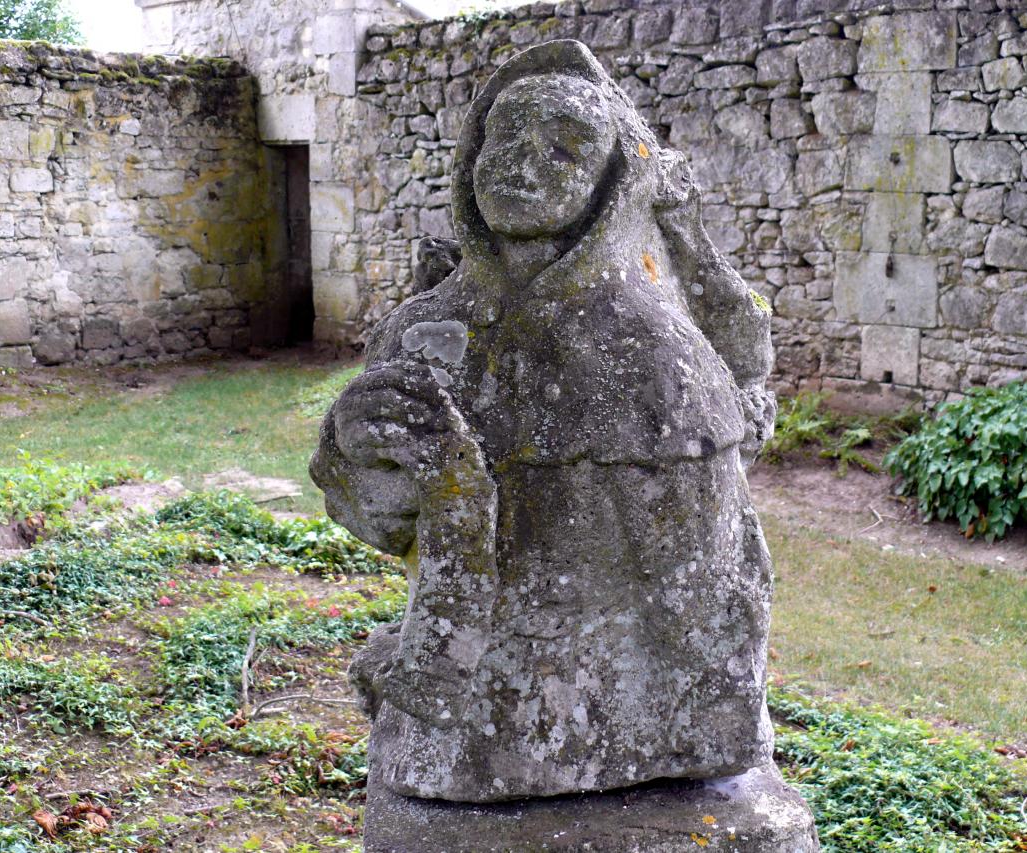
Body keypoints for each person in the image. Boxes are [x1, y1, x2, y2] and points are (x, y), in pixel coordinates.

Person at [311, 39, 778, 803]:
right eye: (505, 138)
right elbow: (387, 524)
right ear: (471, 154)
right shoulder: (424, 329)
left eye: (562, 150)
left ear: (610, 182)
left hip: (623, 720)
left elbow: (705, 598)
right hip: (449, 712)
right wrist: (357, 448)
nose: (522, 164)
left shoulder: (657, 357)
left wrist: (687, 717)